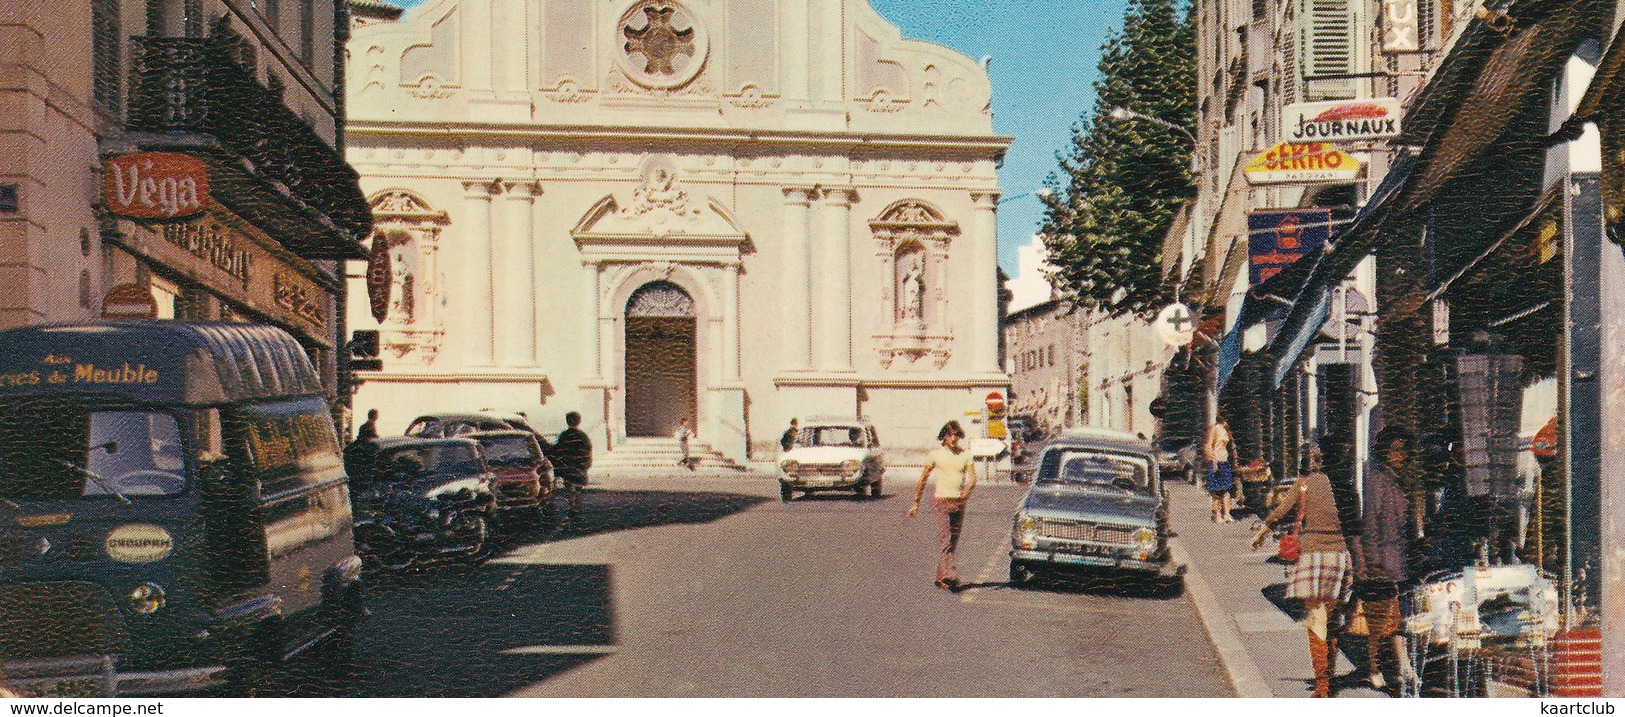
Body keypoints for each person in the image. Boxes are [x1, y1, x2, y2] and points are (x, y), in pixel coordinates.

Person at [1262, 443, 1352, 698]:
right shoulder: (1345, 485)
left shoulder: (1304, 483)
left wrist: (1262, 530)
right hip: (1339, 557)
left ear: (1310, 461)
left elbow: (1282, 510)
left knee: (1316, 620)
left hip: (1313, 555)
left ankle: (1322, 683)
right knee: (1331, 620)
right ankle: (1328, 678)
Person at [1357, 426, 1413, 693]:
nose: (1400, 454)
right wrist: (1372, 562)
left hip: (1397, 560)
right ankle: (1374, 669)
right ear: (1384, 451)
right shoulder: (1378, 479)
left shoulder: (1396, 478)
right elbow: (1370, 521)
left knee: (1397, 617)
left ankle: (1404, 665)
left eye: (1403, 450)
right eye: (1395, 450)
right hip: (1382, 562)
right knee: (1378, 621)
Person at [908, 421, 976, 590]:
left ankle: (941, 576)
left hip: (958, 503)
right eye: (950, 435)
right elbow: (923, 478)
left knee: (953, 540)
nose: (953, 439)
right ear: (944, 436)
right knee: (945, 540)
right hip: (942, 502)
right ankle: (950, 574)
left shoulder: (966, 455)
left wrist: (965, 493)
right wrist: (916, 502)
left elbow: (973, 478)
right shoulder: (935, 455)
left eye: (956, 435)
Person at [552, 412, 594, 521]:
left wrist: (559, 465)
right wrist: (586, 464)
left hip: (567, 466)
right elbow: (588, 451)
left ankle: (572, 507)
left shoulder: (564, 435)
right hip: (579, 466)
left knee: (569, 486)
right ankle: (578, 507)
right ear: (579, 421)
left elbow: (558, 450)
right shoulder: (583, 436)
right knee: (579, 488)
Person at [1205, 416, 1236, 523]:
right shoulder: (1215, 428)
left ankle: (1227, 514)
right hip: (1216, 460)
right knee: (1216, 491)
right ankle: (1217, 515)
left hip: (1224, 460)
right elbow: (1208, 445)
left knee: (1226, 489)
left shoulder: (1224, 430)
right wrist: (1213, 460)